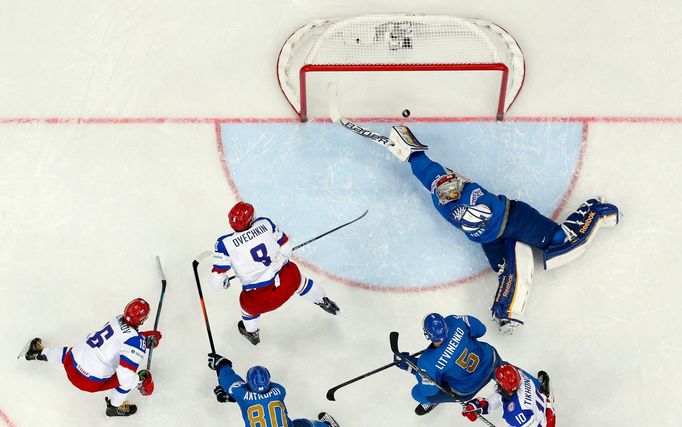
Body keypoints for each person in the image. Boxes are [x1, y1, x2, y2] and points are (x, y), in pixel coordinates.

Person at [374, 125, 619, 333]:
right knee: (506, 271)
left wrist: (411, 155)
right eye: (448, 190)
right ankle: (506, 312)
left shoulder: (454, 193)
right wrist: (409, 152)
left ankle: (596, 210)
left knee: (559, 241)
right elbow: (426, 169)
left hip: (515, 219)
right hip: (496, 234)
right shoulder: (448, 193)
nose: (453, 189)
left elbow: (429, 171)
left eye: (453, 184)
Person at [209, 201, 340, 345]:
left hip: (259, 300)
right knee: (301, 281)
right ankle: (325, 302)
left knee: (247, 308)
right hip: (287, 282)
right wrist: (279, 260)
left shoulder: (224, 244)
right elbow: (286, 247)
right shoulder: (264, 223)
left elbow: (215, 284)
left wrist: (224, 282)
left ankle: (252, 333)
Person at [19, 298, 161, 417]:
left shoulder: (117, 319)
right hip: (87, 382)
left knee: (75, 352)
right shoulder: (136, 342)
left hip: (70, 364)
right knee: (125, 378)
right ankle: (114, 407)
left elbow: (119, 339)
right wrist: (142, 381)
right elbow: (125, 377)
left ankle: (36, 353)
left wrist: (142, 338)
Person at [394, 313, 503, 416]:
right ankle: (508, 374)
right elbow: (481, 329)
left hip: (468, 389)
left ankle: (431, 401)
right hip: (491, 361)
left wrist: (411, 365)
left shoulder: (426, 362)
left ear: (427, 335)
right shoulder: (454, 321)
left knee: (417, 393)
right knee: (435, 372)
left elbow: (431, 390)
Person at [207, 352, 341, 427]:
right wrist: (233, 396)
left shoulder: (240, 393)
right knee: (302, 424)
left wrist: (222, 365)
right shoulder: (279, 391)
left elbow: (228, 379)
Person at [462, 364, 556, 427]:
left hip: (542, 422)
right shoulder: (519, 376)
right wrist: (480, 405)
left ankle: (545, 393)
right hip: (543, 406)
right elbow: (502, 395)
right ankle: (544, 392)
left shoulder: (515, 413)